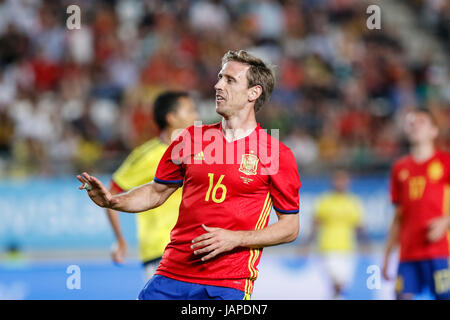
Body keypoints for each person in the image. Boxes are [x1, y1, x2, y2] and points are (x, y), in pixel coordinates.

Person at [77, 50, 301, 300]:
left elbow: (290, 227)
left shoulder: (276, 154)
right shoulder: (191, 139)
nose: (217, 85)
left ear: (253, 93)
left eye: (229, 80)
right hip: (171, 274)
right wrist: (114, 201)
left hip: (227, 283)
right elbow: (156, 191)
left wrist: (235, 239)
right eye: (219, 77)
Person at [106, 91, 198, 280]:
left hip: (195, 248)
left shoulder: (199, 151)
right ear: (171, 118)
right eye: (190, 111)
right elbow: (111, 194)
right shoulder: (148, 155)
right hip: (161, 251)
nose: (196, 116)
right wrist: (120, 240)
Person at [382, 108, 450, 300]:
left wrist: (446, 221)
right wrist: (387, 255)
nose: (415, 125)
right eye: (411, 122)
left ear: (434, 130)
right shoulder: (399, 168)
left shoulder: (446, 162)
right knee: (401, 296)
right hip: (408, 253)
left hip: (440, 251)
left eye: (421, 121)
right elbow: (398, 216)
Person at [312, 169, 366, 299]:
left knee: (342, 284)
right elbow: (316, 224)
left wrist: (365, 245)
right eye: (338, 180)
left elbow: (359, 227)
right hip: (327, 248)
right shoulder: (325, 201)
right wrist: (305, 244)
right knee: (337, 283)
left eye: (344, 180)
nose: (341, 183)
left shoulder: (353, 202)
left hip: (347, 249)